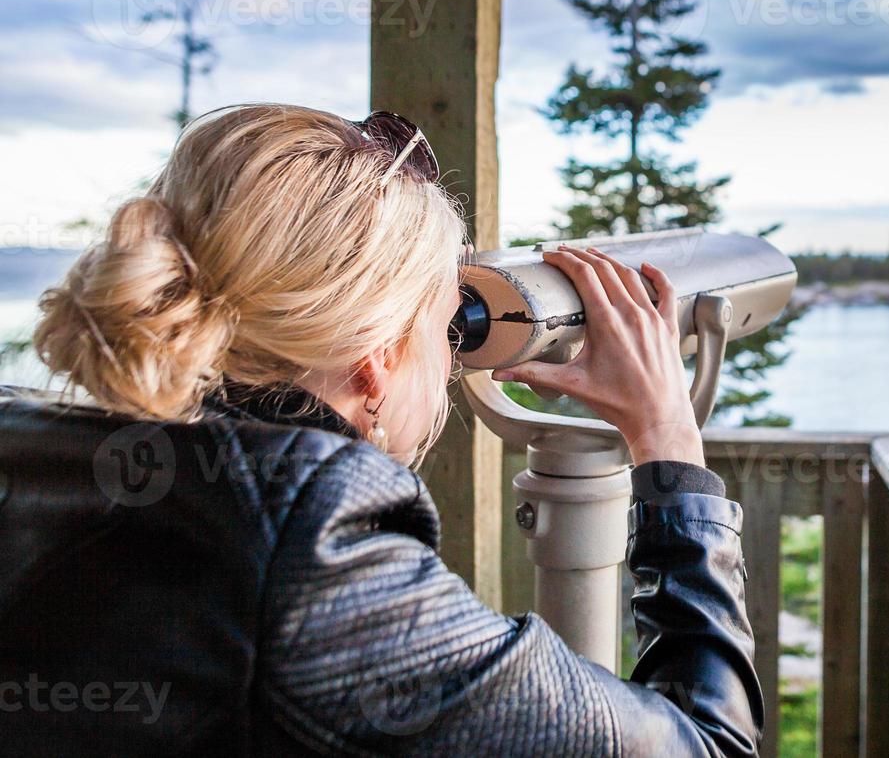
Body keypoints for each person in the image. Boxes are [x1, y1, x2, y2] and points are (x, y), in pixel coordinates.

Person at [0, 104, 761, 756]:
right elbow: (709, 746)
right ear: (376, 363)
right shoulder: (314, 549)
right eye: (445, 326)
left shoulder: (38, 445)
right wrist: (669, 443)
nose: (453, 356)